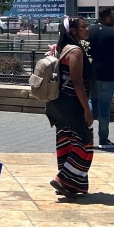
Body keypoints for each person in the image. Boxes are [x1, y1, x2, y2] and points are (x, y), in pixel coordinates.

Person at [44, 17, 95, 197]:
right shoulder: (75, 52)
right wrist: (87, 110)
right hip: (72, 104)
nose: (87, 29)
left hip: (57, 103)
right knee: (85, 142)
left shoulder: (60, 49)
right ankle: (64, 179)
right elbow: (77, 82)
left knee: (66, 140)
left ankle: (71, 185)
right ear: (73, 31)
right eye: (83, 27)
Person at [87, 8, 114, 150]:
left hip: (91, 75)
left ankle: (86, 138)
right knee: (105, 107)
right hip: (109, 76)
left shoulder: (89, 31)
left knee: (92, 103)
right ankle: (103, 140)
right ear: (108, 18)